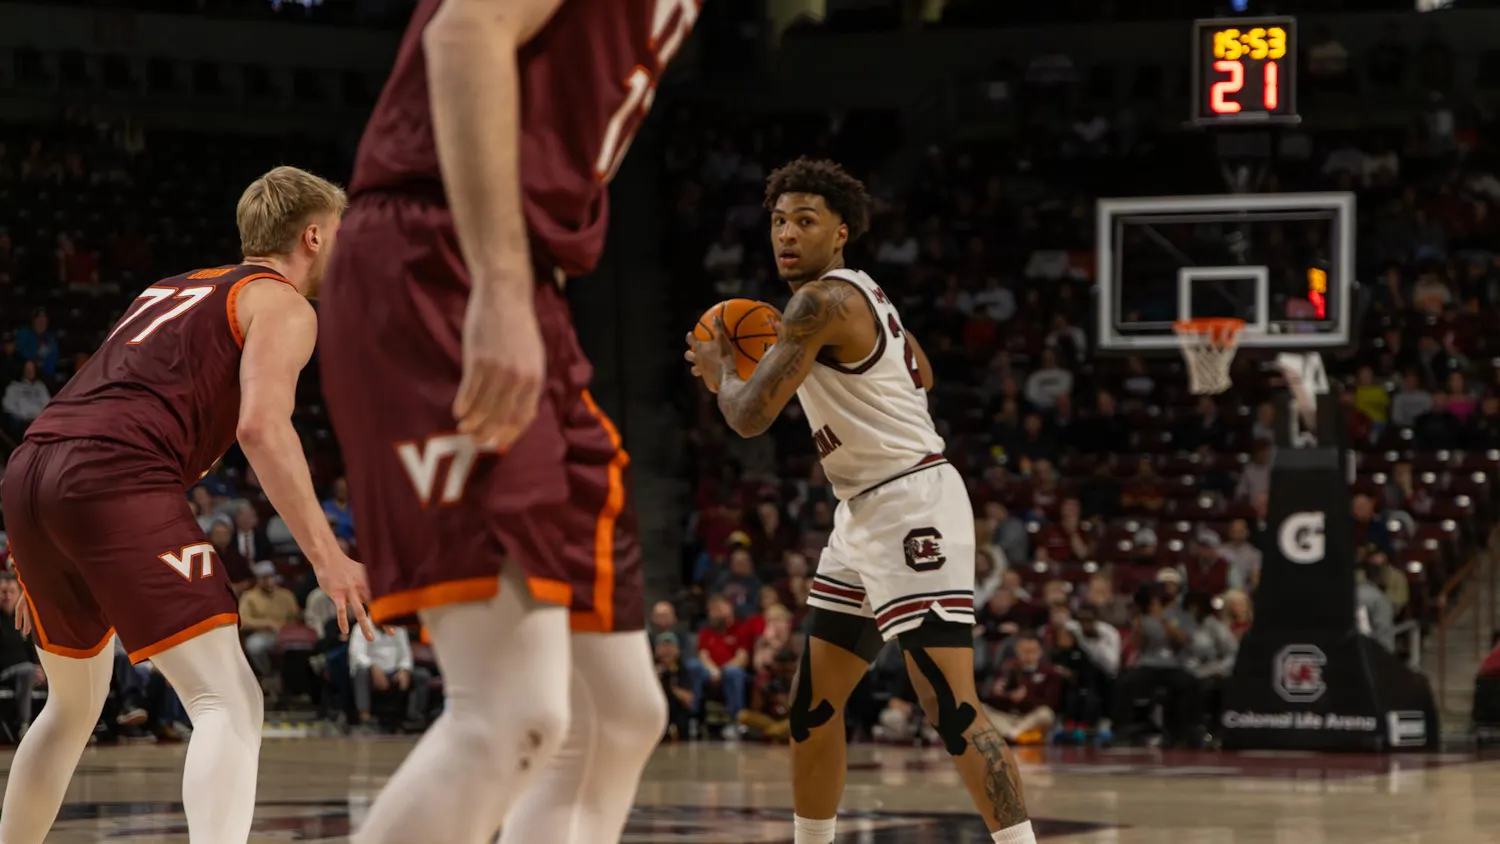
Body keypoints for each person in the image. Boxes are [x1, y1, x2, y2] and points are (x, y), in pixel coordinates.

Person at [316, 1, 696, 841]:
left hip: (520, 278)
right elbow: (466, 29)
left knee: (622, 714)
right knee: (511, 716)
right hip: (439, 255)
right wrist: (494, 279)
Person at [0, 166, 372, 844]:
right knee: (229, 700)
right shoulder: (284, 304)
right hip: (116, 475)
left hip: (32, 472)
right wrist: (328, 556)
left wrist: (40, 547)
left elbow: (91, 402)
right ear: (314, 235)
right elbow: (262, 427)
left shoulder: (166, 288)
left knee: (72, 705)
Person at [687, 158, 1034, 844]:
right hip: (863, 511)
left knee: (950, 706)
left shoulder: (819, 304)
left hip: (911, 504)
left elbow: (749, 417)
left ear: (841, 232)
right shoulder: (863, 296)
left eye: (806, 221)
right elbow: (922, 371)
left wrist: (722, 371)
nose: (787, 234)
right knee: (812, 705)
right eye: (780, 221)